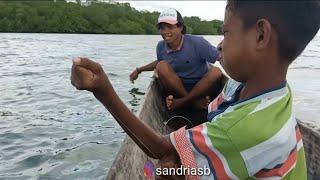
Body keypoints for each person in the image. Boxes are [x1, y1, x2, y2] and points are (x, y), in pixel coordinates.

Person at [71, 1, 319, 179]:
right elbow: (162, 67)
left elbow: (158, 148)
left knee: (165, 171)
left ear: (261, 36)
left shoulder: (242, 129)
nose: (220, 45)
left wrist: (102, 89)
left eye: (225, 33)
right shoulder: (265, 90)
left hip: (206, 116)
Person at [129, 8, 224, 110]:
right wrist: (139, 70)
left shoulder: (198, 43)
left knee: (216, 72)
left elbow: (220, 57)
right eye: (162, 28)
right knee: (161, 66)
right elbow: (160, 62)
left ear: (180, 27)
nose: (165, 32)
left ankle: (182, 102)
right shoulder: (161, 46)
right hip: (178, 88)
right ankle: (193, 102)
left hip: (201, 87)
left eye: (169, 27)